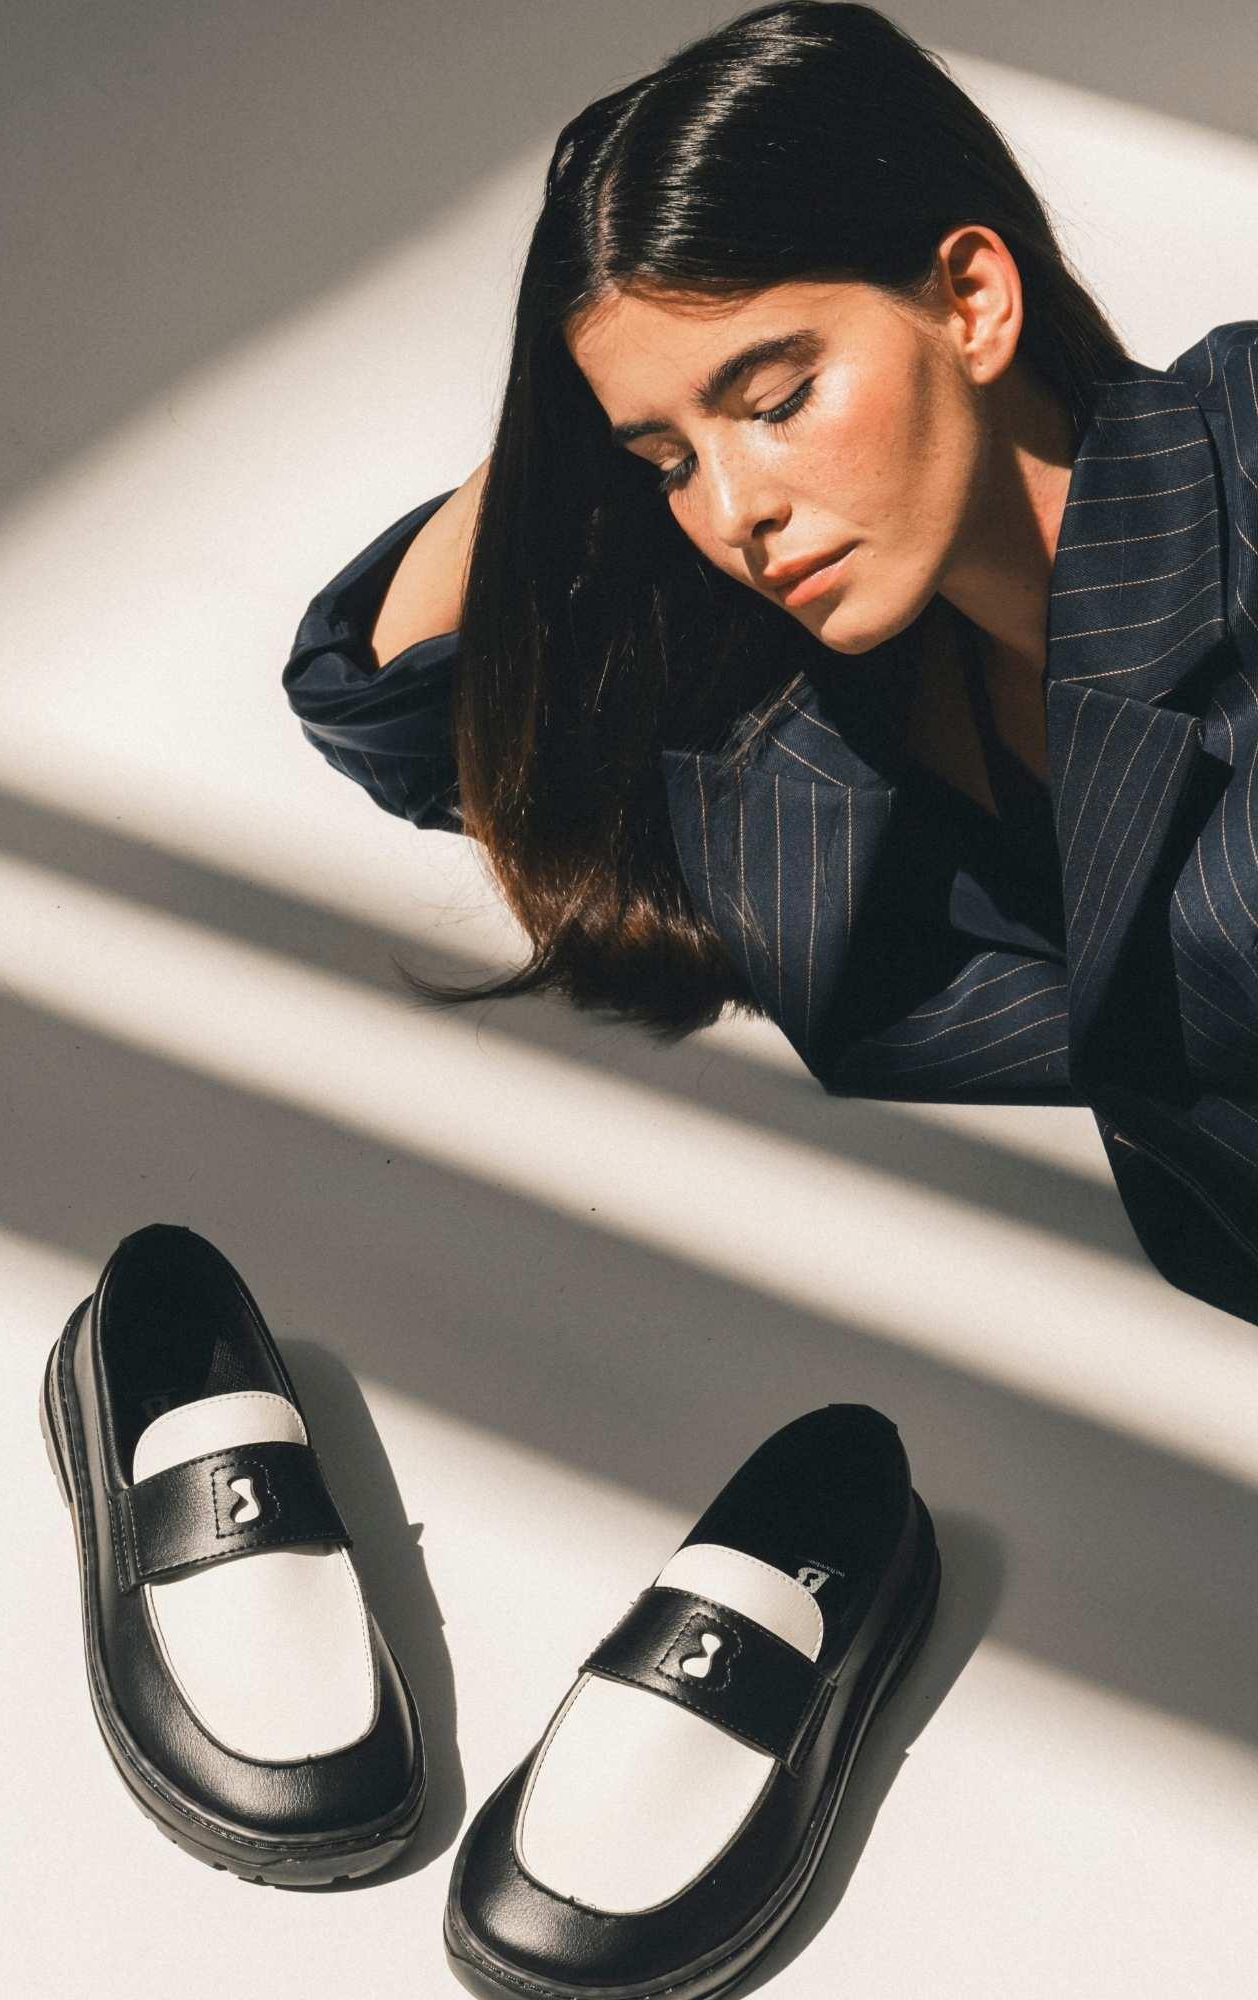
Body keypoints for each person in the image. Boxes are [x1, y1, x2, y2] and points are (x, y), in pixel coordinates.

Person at [282, 0, 1258, 1328]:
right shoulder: (830, 733)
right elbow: (398, 706)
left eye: (778, 398)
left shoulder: (1239, 460)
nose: (735, 506)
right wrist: (584, 419)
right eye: (667, 463)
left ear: (972, 298)